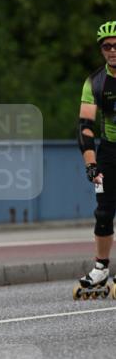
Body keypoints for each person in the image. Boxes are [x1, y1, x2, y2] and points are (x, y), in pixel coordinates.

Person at [76, 20, 116, 294]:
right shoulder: (94, 82)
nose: (113, 50)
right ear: (101, 50)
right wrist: (91, 164)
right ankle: (101, 268)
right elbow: (85, 128)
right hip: (109, 151)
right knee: (103, 212)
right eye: (107, 46)